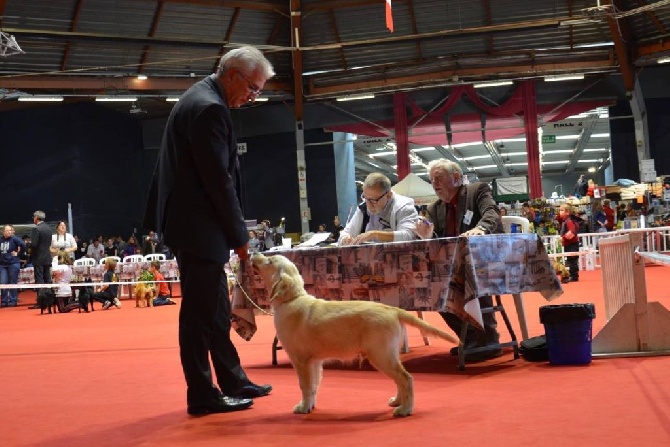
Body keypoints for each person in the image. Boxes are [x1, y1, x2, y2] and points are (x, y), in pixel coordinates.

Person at [143, 45, 274, 416]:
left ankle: (232, 380)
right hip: (198, 229)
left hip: (195, 227)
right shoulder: (209, 109)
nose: (253, 97)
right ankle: (202, 395)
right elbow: (219, 182)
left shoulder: (200, 97)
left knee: (215, 311)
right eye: (253, 88)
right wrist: (241, 237)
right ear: (233, 74)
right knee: (199, 316)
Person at [414, 159, 504, 361]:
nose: (434, 184)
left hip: (488, 260)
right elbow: (435, 242)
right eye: (431, 180)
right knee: (427, 288)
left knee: (470, 274)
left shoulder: (477, 190)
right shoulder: (434, 208)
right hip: (452, 267)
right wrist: (426, 235)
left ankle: (487, 339)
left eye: (438, 178)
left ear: (456, 177)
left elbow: (492, 212)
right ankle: (471, 338)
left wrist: (480, 229)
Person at [338, 172, 418, 245]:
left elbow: (409, 236)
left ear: (388, 195)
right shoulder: (363, 208)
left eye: (373, 200)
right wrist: (345, 239)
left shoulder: (404, 208)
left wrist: (375, 234)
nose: (369, 205)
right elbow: (345, 233)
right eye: (365, 198)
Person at [29, 210, 53, 309]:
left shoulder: (36, 229)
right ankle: (50, 300)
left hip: (38, 258)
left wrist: (28, 245)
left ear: (36, 218)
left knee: (39, 280)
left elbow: (34, 245)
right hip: (47, 257)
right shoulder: (49, 228)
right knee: (48, 279)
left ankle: (41, 302)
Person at [1, 225, 27, 307]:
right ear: (3, 231)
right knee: (3, 282)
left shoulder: (15, 239)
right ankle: (4, 301)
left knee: (13, 282)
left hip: (13, 263)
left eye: (10, 230)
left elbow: (24, 245)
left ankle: (13, 301)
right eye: (7, 230)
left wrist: (18, 254)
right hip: (2, 265)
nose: (9, 232)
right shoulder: (0, 240)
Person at [558, 203, 580, 283]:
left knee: (572, 260)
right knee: (571, 260)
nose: (559, 212)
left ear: (567, 212)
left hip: (572, 244)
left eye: (561, 210)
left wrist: (563, 238)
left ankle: (574, 276)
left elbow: (572, 232)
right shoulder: (566, 221)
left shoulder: (569, 221)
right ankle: (573, 275)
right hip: (570, 244)